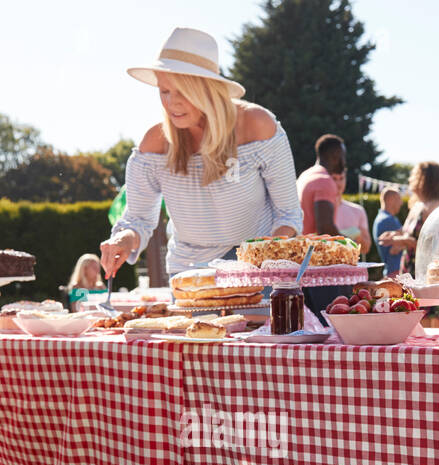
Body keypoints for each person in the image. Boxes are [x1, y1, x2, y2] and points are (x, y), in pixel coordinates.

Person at [99, 27, 301, 280]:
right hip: (189, 272)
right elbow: (137, 219)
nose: (172, 103)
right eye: (164, 91)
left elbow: (288, 215)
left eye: (183, 91)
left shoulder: (256, 125)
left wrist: (260, 260)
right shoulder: (153, 144)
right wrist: (122, 240)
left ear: (208, 89)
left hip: (258, 269)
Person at [377, 160, 439, 276]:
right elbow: (409, 232)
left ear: (425, 180)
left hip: (423, 273)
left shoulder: (435, 208)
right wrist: (394, 234)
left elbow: (434, 249)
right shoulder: (418, 206)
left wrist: (401, 241)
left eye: (414, 175)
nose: (410, 179)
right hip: (409, 269)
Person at [298, 133, 344, 236]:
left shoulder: (305, 175)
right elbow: (325, 229)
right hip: (312, 249)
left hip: (298, 246)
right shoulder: (324, 181)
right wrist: (350, 244)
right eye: (343, 156)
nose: (344, 162)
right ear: (336, 156)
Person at [331, 170, 370, 256]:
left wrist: (357, 237)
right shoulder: (314, 210)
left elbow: (366, 248)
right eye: (334, 178)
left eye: (341, 178)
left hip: (351, 266)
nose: (338, 183)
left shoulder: (358, 210)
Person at [372, 186, 404, 274]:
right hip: (396, 272)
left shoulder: (383, 218)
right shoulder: (387, 220)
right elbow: (396, 248)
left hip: (391, 271)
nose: (401, 203)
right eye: (399, 199)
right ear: (390, 200)